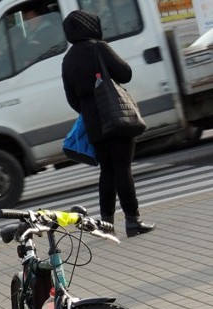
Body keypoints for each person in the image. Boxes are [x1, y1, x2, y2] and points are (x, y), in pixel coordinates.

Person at [61, 10, 155, 236]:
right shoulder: (98, 47)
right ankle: (132, 220)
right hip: (115, 116)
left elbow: (72, 99)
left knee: (107, 171)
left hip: (93, 123)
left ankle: (107, 224)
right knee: (123, 168)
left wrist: (89, 107)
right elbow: (125, 74)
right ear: (90, 26)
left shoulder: (67, 60)